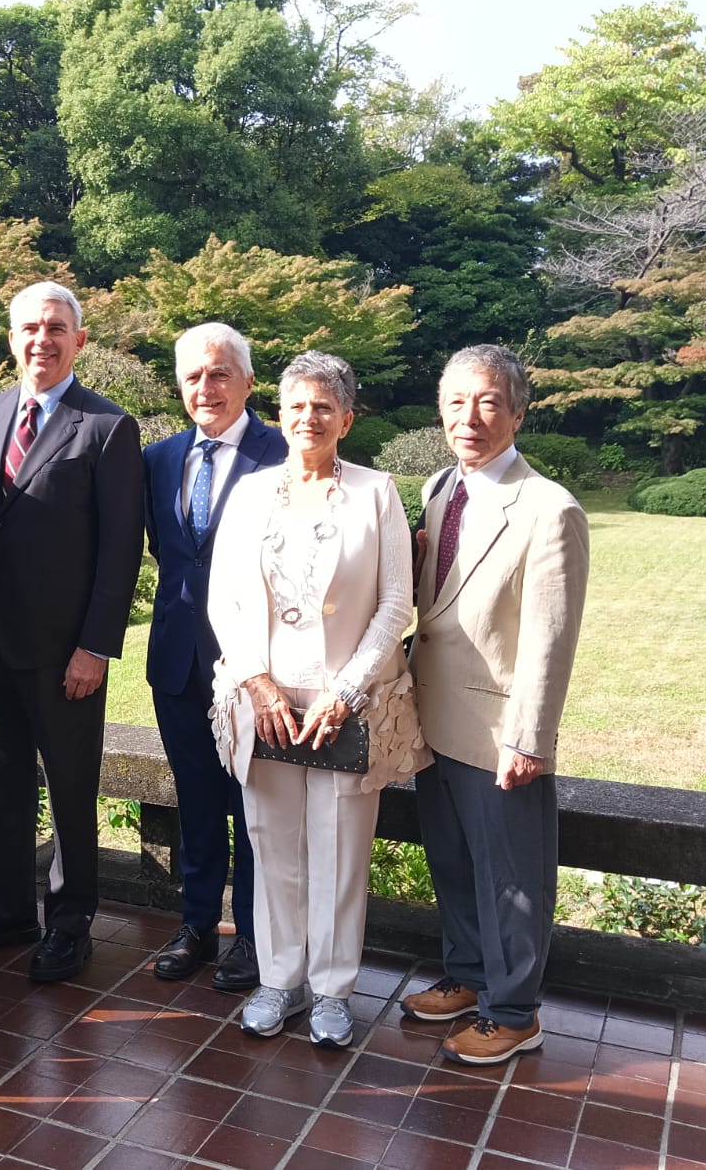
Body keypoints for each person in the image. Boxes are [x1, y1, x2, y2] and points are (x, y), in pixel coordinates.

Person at [208, 352, 432, 1049]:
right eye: (297, 405)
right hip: (266, 699)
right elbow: (227, 597)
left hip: (348, 701)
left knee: (340, 848)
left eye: (324, 407)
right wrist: (258, 680)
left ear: (346, 417)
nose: (309, 417)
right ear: (280, 413)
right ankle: (280, 980)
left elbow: (397, 600)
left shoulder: (375, 491)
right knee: (272, 841)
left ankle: (334, 989)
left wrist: (347, 688)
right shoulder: (249, 493)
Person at [0, 281, 145, 983]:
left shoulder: (107, 425)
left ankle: (68, 923)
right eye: (29, 327)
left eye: (57, 327)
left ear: (79, 340)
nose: (43, 338)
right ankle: (6, 910)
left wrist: (96, 646)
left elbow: (121, 548)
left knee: (68, 790)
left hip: (66, 653)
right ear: (11, 339)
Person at [399, 344, 589, 1066]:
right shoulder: (442, 488)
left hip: (499, 729)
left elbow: (549, 638)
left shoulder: (550, 509)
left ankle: (515, 1012)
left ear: (517, 410)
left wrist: (531, 739)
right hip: (435, 716)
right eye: (455, 403)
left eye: (486, 403)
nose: (469, 418)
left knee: (511, 876)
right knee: (451, 861)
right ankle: (472, 978)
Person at [142, 323, 285, 992]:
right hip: (176, 660)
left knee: (256, 803)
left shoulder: (284, 453)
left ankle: (255, 938)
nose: (207, 386)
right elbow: (165, 554)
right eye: (194, 376)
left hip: (259, 666)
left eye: (221, 373)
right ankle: (197, 924)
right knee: (197, 799)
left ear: (249, 382)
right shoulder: (159, 459)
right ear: (179, 385)